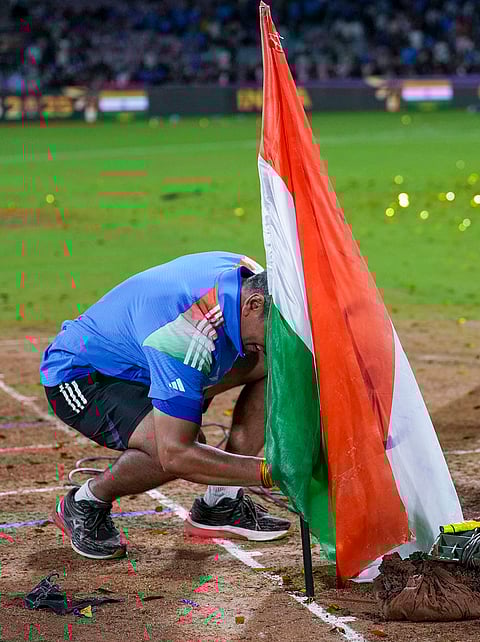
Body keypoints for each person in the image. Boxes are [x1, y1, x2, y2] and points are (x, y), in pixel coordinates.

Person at [41, 251, 291, 560]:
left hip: (148, 357)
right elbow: (177, 455)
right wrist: (273, 472)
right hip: (84, 374)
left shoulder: (247, 277)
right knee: (175, 447)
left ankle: (220, 503)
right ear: (254, 305)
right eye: (273, 332)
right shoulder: (186, 334)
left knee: (276, 362)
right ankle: (85, 502)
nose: (272, 341)